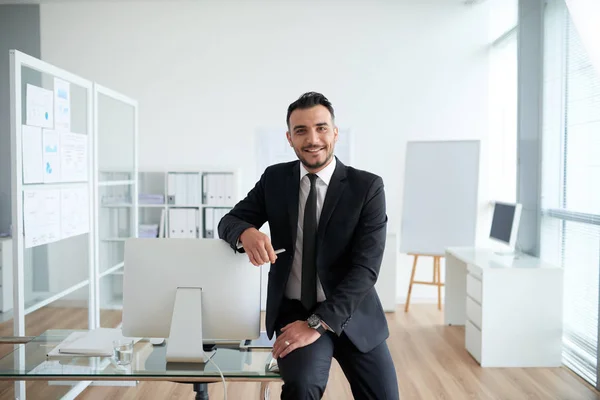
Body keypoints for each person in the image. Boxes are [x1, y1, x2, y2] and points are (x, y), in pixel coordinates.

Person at [218, 92, 399, 399]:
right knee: (301, 388)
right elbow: (229, 221)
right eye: (301, 131)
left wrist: (317, 324)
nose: (312, 139)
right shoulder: (275, 179)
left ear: (335, 133)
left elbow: (366, 270)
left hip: (353, 314)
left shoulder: (367, 187)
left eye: (321, 128)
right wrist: (246, 232)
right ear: (289, 138)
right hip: (294, 312)